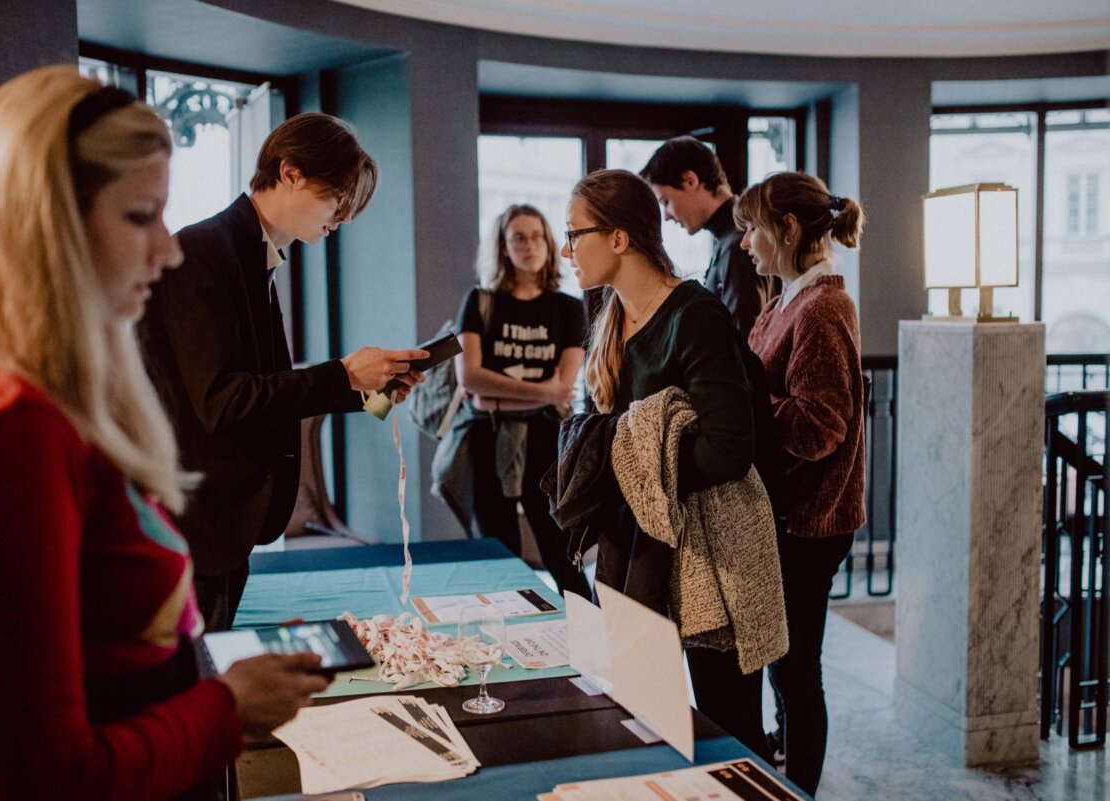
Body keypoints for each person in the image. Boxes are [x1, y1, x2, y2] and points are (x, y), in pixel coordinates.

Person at [0, 66, 330, 801]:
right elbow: (39, 776)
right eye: (141, 217)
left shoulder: (27, 391)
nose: (167, 251)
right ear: (44, 223)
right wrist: (225, 708)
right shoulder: (2, 425)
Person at [138, 113, 427, 631]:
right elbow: (224, 401)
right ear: (290, 172)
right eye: (337, 199)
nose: (340, 219)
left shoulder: (254, 256)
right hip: (197, 522)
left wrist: (370, 394)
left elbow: (267, 390)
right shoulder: (207, 251)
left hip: (225, 526)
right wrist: (342, 374)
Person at [562, 169, 782, 758]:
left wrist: (636, 459)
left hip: (712, 549)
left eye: (575, 232)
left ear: (618, 238)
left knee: (728, 729)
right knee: (640, 716)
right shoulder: (610, 320)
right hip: (636, 546)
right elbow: (609, 436)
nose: (566, 249)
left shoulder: (695, 313)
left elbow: (729, 450)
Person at [736, 171, 866, 797]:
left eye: (753, 230)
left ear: (786, 229)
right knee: (783, 664)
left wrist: (752, 406)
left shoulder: (825, 307)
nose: (744, 245)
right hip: (785, 516)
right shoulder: (783, 301)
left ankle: (801, 790)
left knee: (796, 670)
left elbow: (821, 425)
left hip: (812, 521)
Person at [446, 204, 591, 600]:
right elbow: (469, 377)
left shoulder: (566, 306)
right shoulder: (479, 302)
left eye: (538, 236)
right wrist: (542, 393)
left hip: (548, 442)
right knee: (499, 556)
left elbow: (565, 386)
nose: (530, 245)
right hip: (487, 440)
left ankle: (589, 651)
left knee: (563, 556)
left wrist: (496, 397)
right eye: (519, 238)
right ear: (503, 247)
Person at [640, 136, 764, 339]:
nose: (667, 216)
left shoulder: (737, 245)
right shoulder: (728, 239)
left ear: (690, 181)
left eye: (666, 201)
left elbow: (744, 341)